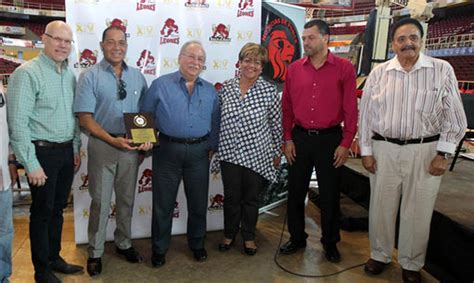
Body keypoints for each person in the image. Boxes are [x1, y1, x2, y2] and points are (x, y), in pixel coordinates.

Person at [359, 18, 467, 283]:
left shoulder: (441, 70)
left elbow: (455, 116)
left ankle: (411, 263)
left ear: (422, 40)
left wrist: (443, 153)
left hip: (425, 150)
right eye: (401, 39)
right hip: (384, 148)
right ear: (392, 44)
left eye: (413, 38)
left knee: (417, 210)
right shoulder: (379, 73)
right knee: (381, 207)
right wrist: (366, 150)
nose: (408, 43)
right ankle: (380, 254)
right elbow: (367, 116)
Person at [7, 21, 83, 283]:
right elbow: (17, 123)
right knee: (41, 212)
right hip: (41, 155)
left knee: (58, 209)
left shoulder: (69, 75)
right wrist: (30, 163)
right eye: (57, 39)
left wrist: (75, 147)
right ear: (44, 39)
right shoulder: (27, 74)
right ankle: (41, 271)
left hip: (64, 153)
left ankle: (54, 258)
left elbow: (73, 117)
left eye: (67, 41)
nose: (63, 45)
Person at [73, 25, 152, 277]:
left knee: (127, 200)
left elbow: (145, 116)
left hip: (130, 149)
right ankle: (95, 252)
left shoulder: (138, 76)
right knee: (101, 201)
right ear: (102, 45)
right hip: (103, 145)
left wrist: (147, 140)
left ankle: (124, 243)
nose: (117, 47)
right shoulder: (90, 76)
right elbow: (85, 118)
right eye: (111, 42)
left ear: (126, 46)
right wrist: (112, 140)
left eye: (121, 42)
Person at [280, 19, 358, 263]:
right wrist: (288, 138)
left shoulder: (344, 68)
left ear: (326, 38)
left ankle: (330, 242)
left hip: (330, 140)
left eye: (310, 37)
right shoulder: (294, 69)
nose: (305, 42)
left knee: (329, 195)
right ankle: (296, 237)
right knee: (295, 192)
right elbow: (287, 108)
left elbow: (350, 110)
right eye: (304, 38)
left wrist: (346, 143)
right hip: (300, 138)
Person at [140, 40, 220, 267]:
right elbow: (145, 115)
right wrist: (144, 141)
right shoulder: (160, 85)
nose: (195, 62)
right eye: (191, 57)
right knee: (163, 204)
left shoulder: (211, 91)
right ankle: (159, 249)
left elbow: (215, 121)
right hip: (166, 151)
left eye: (200, 59)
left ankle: (197, 244)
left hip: (199, 153)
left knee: (197, 203)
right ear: (180, 58)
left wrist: (211, 147)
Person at [215, 43, 282, 256]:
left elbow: (276, 124)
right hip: (229, 153)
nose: (251, 65)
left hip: (257, 154)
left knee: (251, 199)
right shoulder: (227, 87)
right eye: (247, 60)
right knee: (231, 197)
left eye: (256, 62)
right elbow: (217, 120)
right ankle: (229, 233)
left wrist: (277, 153)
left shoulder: (270, 91)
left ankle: (249, 236)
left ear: (262, 67)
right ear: (240, 62)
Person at [1, 78, 16, 283]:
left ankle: (3, 277)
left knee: (4, 233)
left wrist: (11, 159)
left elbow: (5, 126)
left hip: (3, 175)